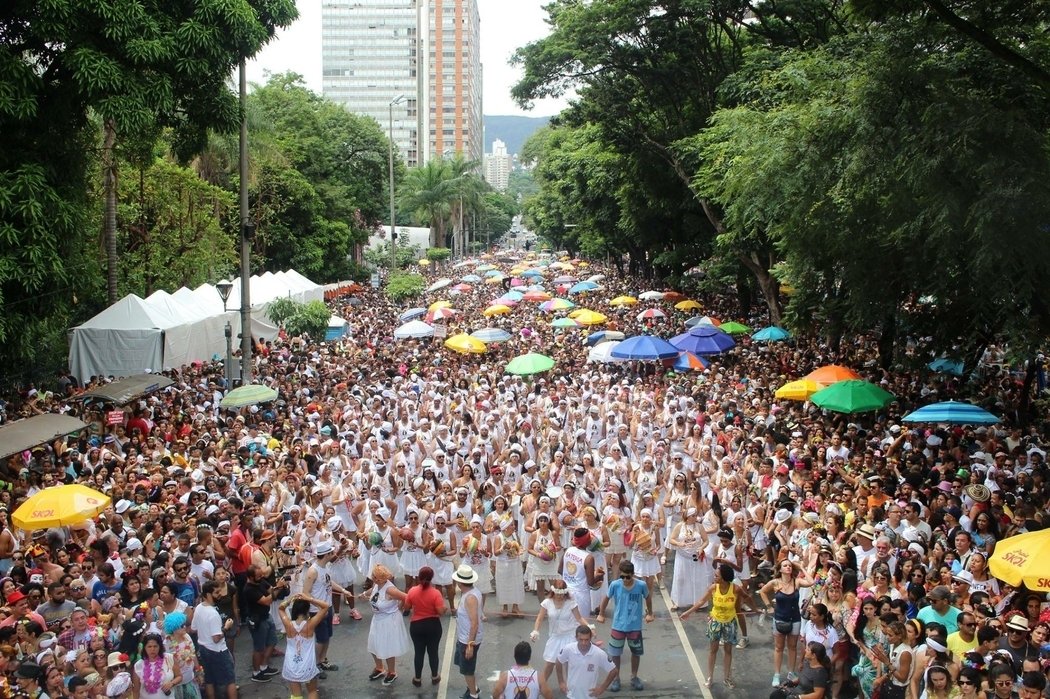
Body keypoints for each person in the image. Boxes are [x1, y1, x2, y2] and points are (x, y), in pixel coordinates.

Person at [681, 563, 746, 688]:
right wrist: (688, 612)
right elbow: (701, 601)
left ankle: (727, 677)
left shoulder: (736, 589)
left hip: (730, 623)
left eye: (716, 575)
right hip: (715, 621)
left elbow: (746, 598)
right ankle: (710, 677)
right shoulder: (713, 588)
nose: (714, 577)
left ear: (723, 578)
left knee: (728, 651)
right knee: (713, 650)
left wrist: (757, 609)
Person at [299, 539, 352, 678]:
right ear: (327, 554)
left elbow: (329, 581)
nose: (333, 553)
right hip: (317, 610)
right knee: (321, 639)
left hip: (327, 607)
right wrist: (318, 605)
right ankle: (316, 664)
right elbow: (305, 593)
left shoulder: (325, 567)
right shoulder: (313, 571)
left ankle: (323, 660)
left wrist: (342, 590)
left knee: (327, 636)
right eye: (331, 552)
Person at [596, 559, 649, 692]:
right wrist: (601, 613)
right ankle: (616, 678)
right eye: (622, 576)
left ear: (633, 574)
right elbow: (606, 599)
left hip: (635, 627)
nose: (625, 579)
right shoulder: (615, 585)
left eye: (628, 576)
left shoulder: (641, 585)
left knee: (636, 653)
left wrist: (650, 613)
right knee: (615, 654)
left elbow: (648, 598)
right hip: (618, 626)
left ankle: (634, 677)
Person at [759, 558, 815, 687]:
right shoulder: (775, 583)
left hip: (794, 619)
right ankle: (777, 674)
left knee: (792, 647)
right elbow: (763, 592)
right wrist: (769, 606)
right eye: (785, 565)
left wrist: (801, 568)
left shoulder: (797, 582)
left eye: (790, 566)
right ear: (780, 569)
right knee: (778, 647)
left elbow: (811, 582)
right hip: (779, 618)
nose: (788, 567)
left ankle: (791, 672)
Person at [530, 579, 586, 684]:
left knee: (569, 664)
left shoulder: (571, 603)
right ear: (553, 592)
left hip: (569, 636)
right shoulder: (547, 603)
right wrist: (535, 631)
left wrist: (590, 628)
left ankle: (572, 686)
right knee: (550, 663)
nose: (560, 596)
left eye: (562, 594)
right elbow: (539, 618)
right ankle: (540, 686)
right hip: (555, 636)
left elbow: (579, 619)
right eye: (557, 594)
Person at [364, 563, 411, 686]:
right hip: (377, 619)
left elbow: (406, 597)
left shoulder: (390, 590)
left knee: (388, 647)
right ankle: (379, 668)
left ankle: (392, 672)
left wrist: (399, 609)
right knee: (373, 644)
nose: (371, 577)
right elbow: (372, 590)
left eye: (373, 575)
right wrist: (363, 595)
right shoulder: (377, 584)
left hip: (389, 621)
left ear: (378, 578)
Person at [277, 593, 329, 699]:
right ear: (307, 609)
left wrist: (290, 599)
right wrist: (309, 599)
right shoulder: (310, 624)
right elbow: (325, 606)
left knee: (296, 695)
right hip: (307, 665)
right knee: (312, 691)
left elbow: (281, 608)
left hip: (291, 665)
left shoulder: (288, 624)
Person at [190, 581, 236, 699]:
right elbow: (216, 638)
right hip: (218, 650)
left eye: (219, 591)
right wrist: (226, 627)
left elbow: (193, 629)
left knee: (209, 679)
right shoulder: (213, 614)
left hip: (203, 649)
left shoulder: (199, 608)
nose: (220, 594)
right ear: (208, 595)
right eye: (216, 592)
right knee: (230, 680)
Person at [403, 566, 447, 688]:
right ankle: (434, 677)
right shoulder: (436, 593)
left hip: (417, 626)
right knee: (433, 652)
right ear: (432, 578)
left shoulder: (412, 591)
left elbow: (406, 608)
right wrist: (444, 609)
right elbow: (440, 611)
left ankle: (417, 678)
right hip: (433, 626)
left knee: (419, 652)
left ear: (419, 577)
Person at [243, 563, 282, 683]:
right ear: (250, 577)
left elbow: (271, 591)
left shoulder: (261, 581)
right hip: (257, 620)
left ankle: (264, 667)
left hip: (266, 616)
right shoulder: (249, 589)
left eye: (261, 575)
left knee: (272, 641)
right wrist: (278, 588)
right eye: (258, 576)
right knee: (259, 647)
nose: (261, 578)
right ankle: (256, 672)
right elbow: (266, 601)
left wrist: (277, 588)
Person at [556, 624, 616, 699]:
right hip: (571, 695)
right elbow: (558, 661)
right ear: (576, 638)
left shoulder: (598, 653)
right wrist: (561, 682)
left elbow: (613, 670)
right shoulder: (568, 649)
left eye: (586, 640)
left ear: (590, 638)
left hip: (590, 697)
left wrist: (602, 688)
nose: (583, 643)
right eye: (581, 639)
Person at [560, 528, 604, 624]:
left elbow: (560, 570)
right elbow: (590, 582)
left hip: (565, 592)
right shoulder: (588, 558)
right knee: (580, 625)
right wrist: (599, 576)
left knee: (565, 624)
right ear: (587, 541)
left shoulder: (568, 550)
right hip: (580, 596)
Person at [453, 564, 484, 699]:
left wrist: (470, 645)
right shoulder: (473, 592)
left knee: (467, 669)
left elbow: (474, 624)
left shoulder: (470, 598)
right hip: (464, 637)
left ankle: (473, 694)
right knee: (466, 667)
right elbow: (478, 614)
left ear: (461, 583)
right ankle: (473, 688)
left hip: (467, 639)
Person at [132, 633, 176, 699]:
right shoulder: (138, 665)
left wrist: (172, 683)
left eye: (155, 646)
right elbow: (136, 690)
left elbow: (179, 676)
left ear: (160, 647)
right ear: (145, 648)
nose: (152, 649)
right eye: (149, 646)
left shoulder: (169, 658)